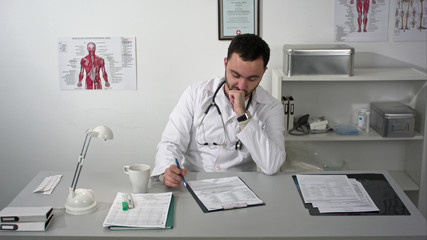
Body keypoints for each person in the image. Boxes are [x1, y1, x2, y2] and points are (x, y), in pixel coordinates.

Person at [151, 34, 286, 187]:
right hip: (193, 183)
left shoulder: (271, 107)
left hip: (241, 187)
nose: (241, 86)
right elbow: (170, 143)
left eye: (252, 78)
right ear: (225, 63)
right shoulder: (196, 94)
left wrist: (243, 116)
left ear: (264, 72)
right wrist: (167, 170)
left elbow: (272, 165)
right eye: (235, 75)